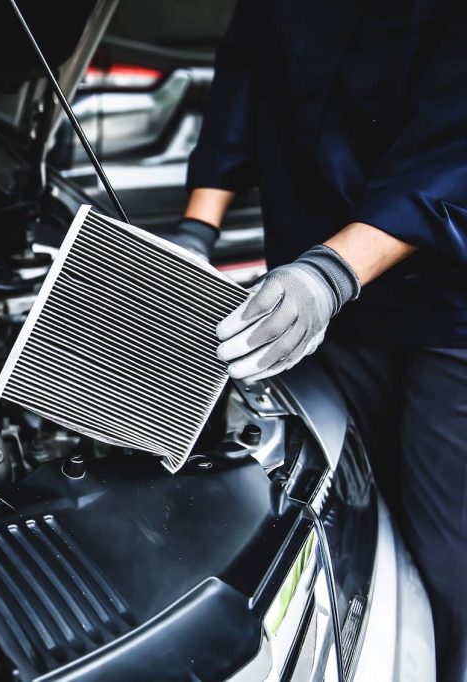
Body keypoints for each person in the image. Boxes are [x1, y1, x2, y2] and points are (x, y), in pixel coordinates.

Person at [160, 0, 467, 678]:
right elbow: (246, 77)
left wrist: (331, 272)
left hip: (450, 309)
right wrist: (195, 231)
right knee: (349, 501)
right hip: (324, 294)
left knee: (451, 552)